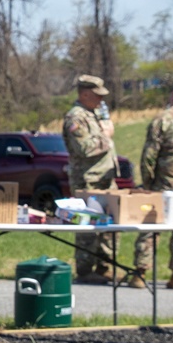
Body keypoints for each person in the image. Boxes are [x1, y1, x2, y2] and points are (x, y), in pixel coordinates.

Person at [131, 74, 173, 291]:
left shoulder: (163, 120)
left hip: (163, 186)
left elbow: (149, 157)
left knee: (150, 227)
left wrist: (147, 184)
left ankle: (140, 273)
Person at [63, 74, 120, 284]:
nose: (101, 100)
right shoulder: (76, 117)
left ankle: (105, 267)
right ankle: (85, 271)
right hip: (88, 180)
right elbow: (84, 149)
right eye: (97, 95)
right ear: (85, 94)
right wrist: (106, 136)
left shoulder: (94, 114)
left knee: (110, 227)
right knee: (88, 228)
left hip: (105, 178)